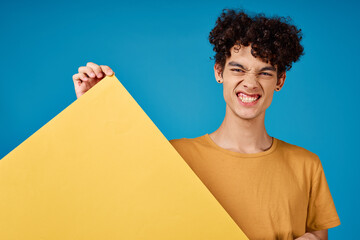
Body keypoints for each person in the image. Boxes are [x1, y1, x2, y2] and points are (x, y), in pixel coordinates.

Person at [72, 9, 340, 240]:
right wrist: (94, 106)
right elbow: (111, 189)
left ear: (279, 81)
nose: (250, 82)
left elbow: (318, 233)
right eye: (238, 69)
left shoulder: (307, 166)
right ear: (219, 71)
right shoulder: (176, 157)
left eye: (265, 72)